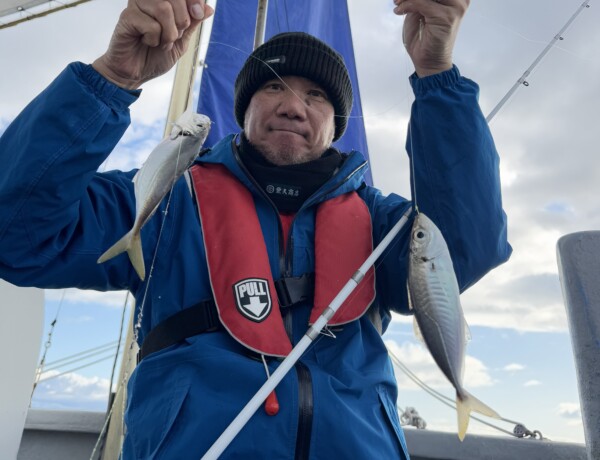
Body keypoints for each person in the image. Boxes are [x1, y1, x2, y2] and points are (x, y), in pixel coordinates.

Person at [0, 0, 511, 458]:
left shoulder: (382, 223)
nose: (293, 105)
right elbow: (17, 235)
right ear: (243, 110)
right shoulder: (165, 201)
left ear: (336, 125)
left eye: (316, 96)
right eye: (274, 87)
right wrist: (111, 77)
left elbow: (462, 252)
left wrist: (437, 74)